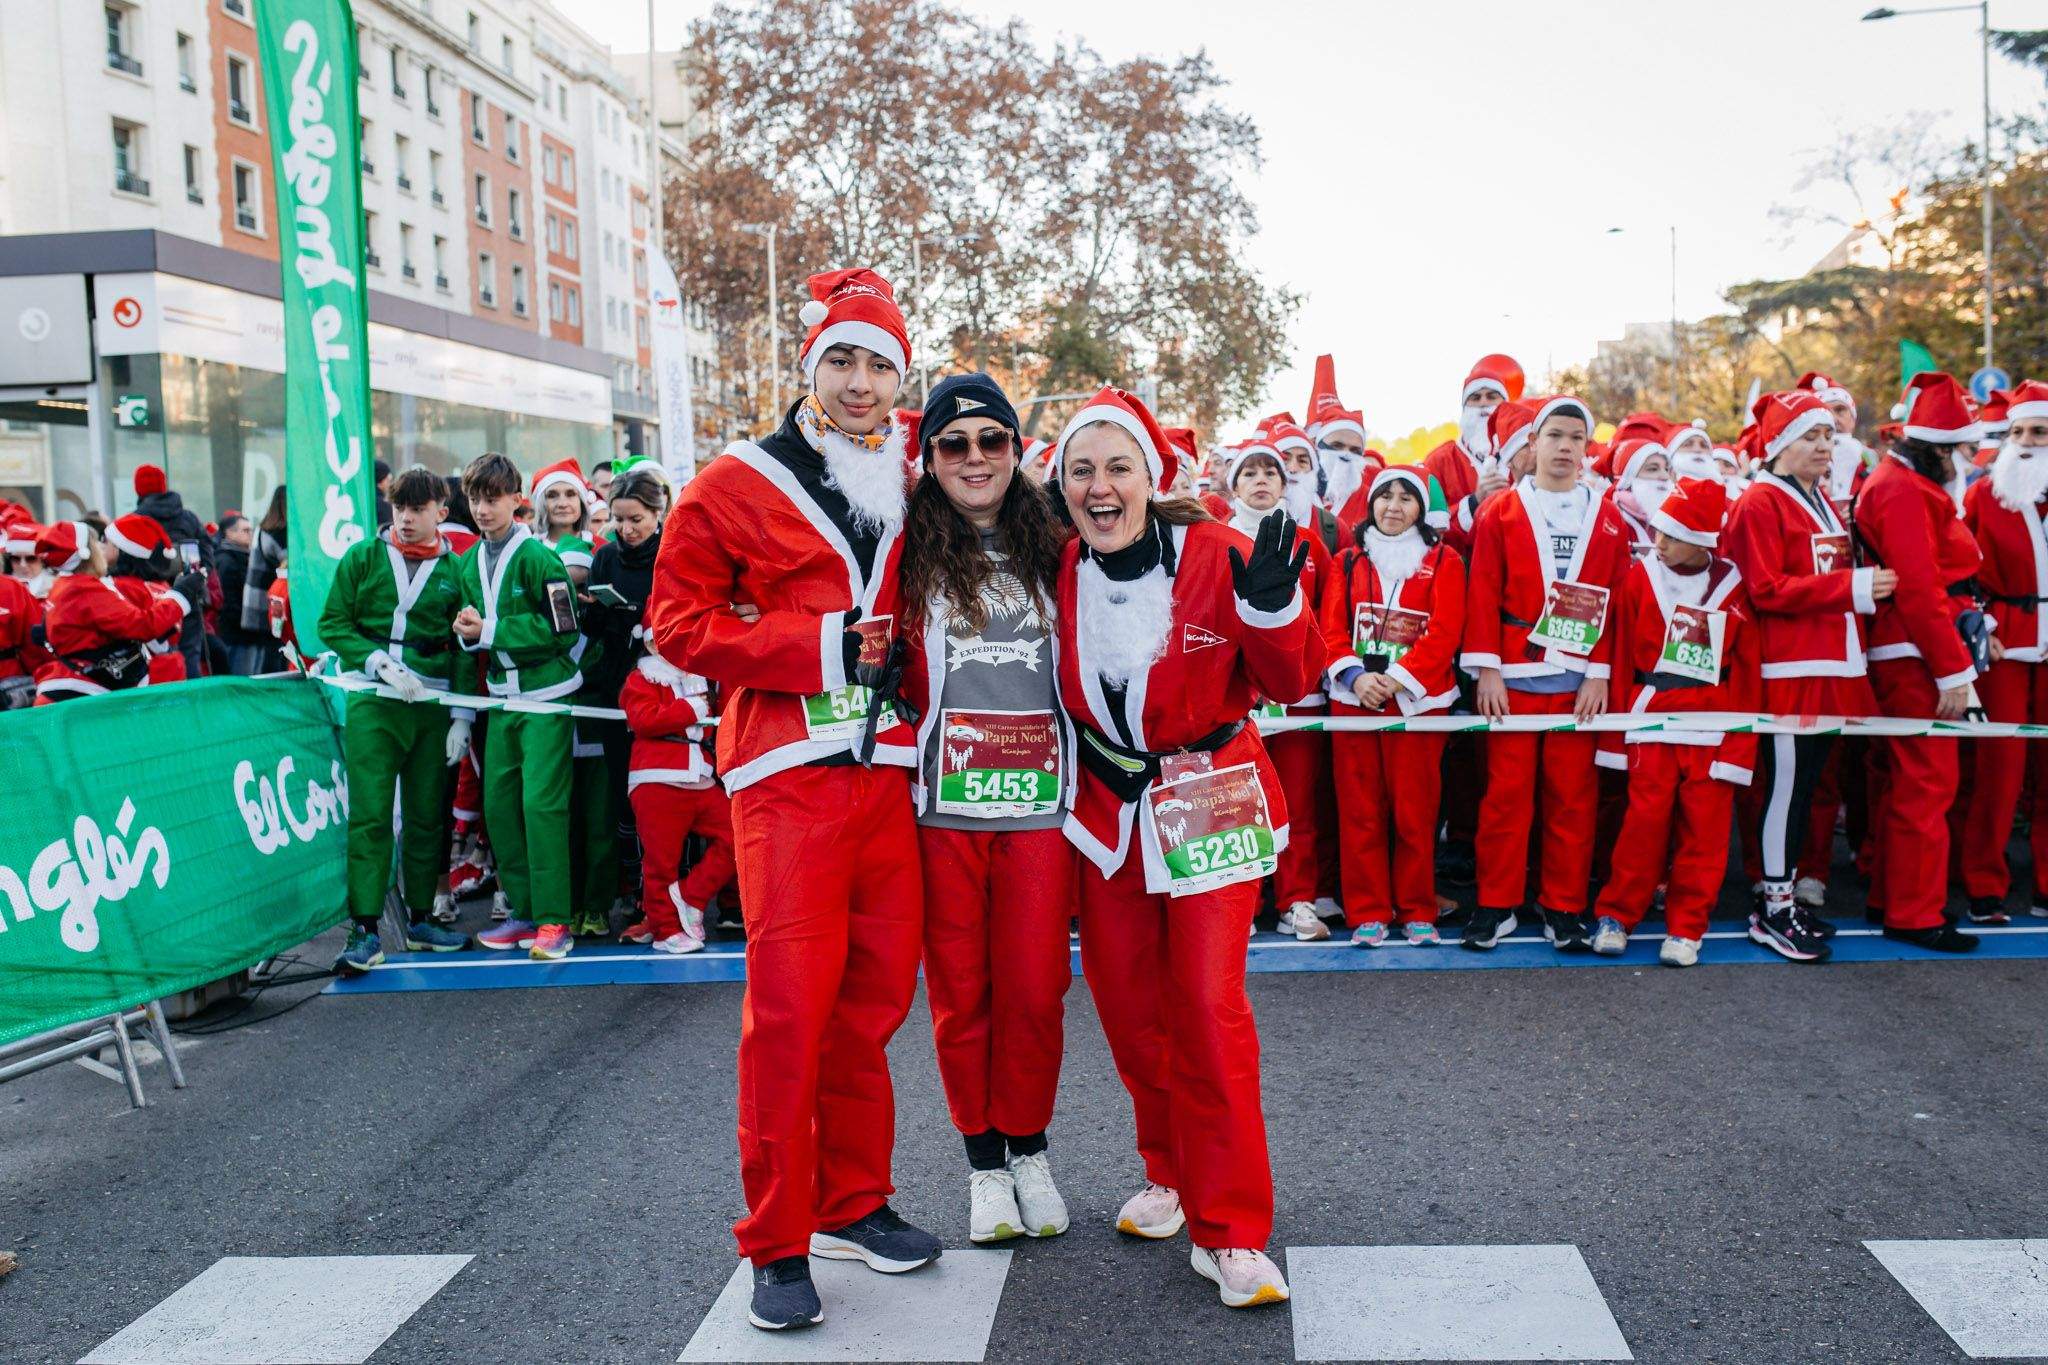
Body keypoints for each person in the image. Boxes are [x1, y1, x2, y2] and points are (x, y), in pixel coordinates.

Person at [647, 268, 940, 1332]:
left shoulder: (921, 473)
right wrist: (819, 646)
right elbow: (676, 623)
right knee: (787, 1015)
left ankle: (850, 1202)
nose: (860, 383)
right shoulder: (733, 481)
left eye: (879, 365)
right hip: (784, 778)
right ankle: (775, 1239)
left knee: (872, 1005)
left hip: (891, 773)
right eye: (842, 361)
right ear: (810, 367)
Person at [1054, 385, 1318, 1309]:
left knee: (1208, 1009)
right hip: (1108, 814)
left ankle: (1231, 1226)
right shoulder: (1060, 566)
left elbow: (1292, 676)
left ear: (1151, 475)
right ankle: (1169, 1170)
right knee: (1132, 1011)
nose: (1100, 486)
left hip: (1210, 799)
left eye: (1117, 467)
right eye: (1081, 470)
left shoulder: (1218, 551)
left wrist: (1274, 610)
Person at [896, 371, 1076, 1245]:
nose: (975, 457)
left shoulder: (1062, 544)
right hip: (942, 808)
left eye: (991, 439)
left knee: (1036, 991)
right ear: (929, 458)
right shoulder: (899, 547)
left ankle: (1030, 1149)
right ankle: (983, 1164)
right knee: (960, 994)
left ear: (1016, 447)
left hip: (1041, 806)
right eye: (954, 443)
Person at [1722, 390, 1889, 961]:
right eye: (1809, 437)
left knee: (1806, 787)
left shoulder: (1814, 496)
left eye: (1827, 436)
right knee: (1786, 791)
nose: (1824, 446)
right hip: (1789, 669)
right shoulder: (1760, 501)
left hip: (1824, 663)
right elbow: (1766, 589)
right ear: (1778, 445)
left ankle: (1785, 899)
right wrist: (1854, 586)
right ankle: (1773, 908)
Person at [1459, 395, 1630, 953]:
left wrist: (1599, 673)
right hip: (1514, 676)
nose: (1564, 447)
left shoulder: (1608, 517)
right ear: (1534, 443)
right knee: (1505, 798)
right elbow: (1482, 590)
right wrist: (1486, 670)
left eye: (1576, 438)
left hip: (1578, 681)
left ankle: (1563, 905)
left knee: (1572, 799)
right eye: (1555, 435)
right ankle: (1497, 903)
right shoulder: (1501, 510)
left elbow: (1615, 600)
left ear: (1587, 447)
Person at [1588, 478, 1760, 965]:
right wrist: (1615, 736)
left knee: (1705, 833)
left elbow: (1748, 672)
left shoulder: (1735, 588)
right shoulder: (1638, 578)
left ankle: (1687, 927)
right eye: (1659, 530)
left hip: (1713, 723)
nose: (1658, 542)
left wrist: (1738, 746)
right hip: (1651, 719)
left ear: (1702, 541)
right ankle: (1617, 914)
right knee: (1642, 825)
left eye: (1673, 535)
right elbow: (1619, 656)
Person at [316, 465, 472, 974]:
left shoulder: (457, 570)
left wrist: (462, 716)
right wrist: (375, 661)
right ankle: (364, 929)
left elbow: (464, 647)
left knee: (428, 815)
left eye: (417, 509)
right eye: (399, 507)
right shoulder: (363, 556)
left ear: (440, 513)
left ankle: (422, 918)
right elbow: (332, 623)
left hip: (431, 704)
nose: (405, 518)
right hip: (374, 700)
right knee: (370, 814)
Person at [1857, 372, 1985, 953]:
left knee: (1909, 781)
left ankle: (1896, 895)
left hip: (1912, 647)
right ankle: (1913, 912)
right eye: (1964, 448)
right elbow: (1920, 588)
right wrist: (1952, 671)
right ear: (1940, 448)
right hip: (1914, 652)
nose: (1969, 460)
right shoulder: (1904, 490)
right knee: (1927, 784)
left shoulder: (1901, 482)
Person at [1320, 466, 1465, 946]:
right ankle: (1368, 910)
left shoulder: (1444, 560)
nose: (1394, 507)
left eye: (1406, 498)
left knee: (1415, 814)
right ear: (1371, 503)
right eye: (1385, 496)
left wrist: (1398, 680)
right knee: (1359, 813)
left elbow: (1445, 631)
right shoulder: (1347, 560)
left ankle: (1418, 908)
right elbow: (1330, 629)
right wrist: (1356, 677)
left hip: (1418, 705)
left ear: (1421, 508)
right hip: (1354, 700)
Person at [453, 452, 584, 962]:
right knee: (500, 808)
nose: (482, 509)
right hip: (501, 700)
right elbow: (469, 631)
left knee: (541, 807)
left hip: (547, 698)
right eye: (474, 499)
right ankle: (525, 911)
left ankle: (555, 919)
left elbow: (563, 628)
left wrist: (486, 630)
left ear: (516, 501)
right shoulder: (467, 561)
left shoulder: (539, 559)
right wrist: (467, 635)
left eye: (492, 499)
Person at [1222, 437, 1336, 940]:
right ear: (1234, 485)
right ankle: (1239, 902)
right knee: (1236, 803)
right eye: (1250, 472)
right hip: (1236, 702)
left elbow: (1329, 612)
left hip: (1299, 697)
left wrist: (1299, 669)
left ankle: (1297, 900)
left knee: (1296, 803)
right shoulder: (1214, 539)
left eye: (1270, 471)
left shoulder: (1308, 540)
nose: (1261, 480)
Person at [1961, 380, 2048, 922]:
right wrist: (1984, 623)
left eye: (2039, 432)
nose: (2026, 442)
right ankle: (1984, 882)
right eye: (2018, 431)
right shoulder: (1984, 495)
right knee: (2000, 769)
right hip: (2005, 641)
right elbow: (1958, 569)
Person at [584, 464, 673, 929]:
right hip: (616, 686)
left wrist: (642, 618)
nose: (626, 529)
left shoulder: (672, 554)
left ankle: (670, 890)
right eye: (618, 519)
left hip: (665, 687)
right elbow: (593, 629)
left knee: (666, 792)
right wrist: (595, 612)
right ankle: (634, 887)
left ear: (658, 513)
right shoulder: (604, 558)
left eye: (636, 519)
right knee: (624, 791)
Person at [616, 645, 731, 954]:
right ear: (651, 643)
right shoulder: (642, 677)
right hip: (656, 778)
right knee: (660, 864)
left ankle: (690, 897)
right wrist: (690, 709)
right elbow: (643, 720)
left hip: (699, 776)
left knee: (739, 836)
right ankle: (665, 930)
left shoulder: (701, 676)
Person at [30, 520, 196, 704]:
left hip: (77, 684)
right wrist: (181, 595)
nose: (101, 547)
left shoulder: (65, 585)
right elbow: (142, 625)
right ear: (86, 554)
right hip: (86, 690)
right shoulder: (85, 589)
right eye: (97, 543)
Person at [1424, 353, 1525, 558]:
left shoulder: (1525, 453)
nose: (1483, 403)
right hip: (1460, 565)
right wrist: (1475, 501)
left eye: (1492, 396)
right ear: (1464, 408)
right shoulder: (1438, 460)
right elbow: (1426, 528)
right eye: (1475, 397)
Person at [131, 463, 213, 679]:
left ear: (138, 489)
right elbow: (207, 552)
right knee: (191, 655)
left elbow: (131, 564)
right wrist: (197, 578)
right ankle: (193, 698)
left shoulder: (135, 521)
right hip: (190, 595)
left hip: (153, 600)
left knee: (159, 658)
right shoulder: (188, 518)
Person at [1304, 355, 1380, 532]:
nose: (1345, 454)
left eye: (1355, 450)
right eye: (1337, 446)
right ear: (1316, 446)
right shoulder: (1294, 491)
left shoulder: (1374, 498)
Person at [238, 487, 288, 674]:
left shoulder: (263, 529)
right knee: (272, 660)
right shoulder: (277, 533)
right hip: (271, 604)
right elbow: (288, 561)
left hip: (257, 602)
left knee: (264, 656)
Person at [1606, 437, 1673, 560]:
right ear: (1628, 476)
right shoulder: (1607, 518)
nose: (1665, 476)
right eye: (1653, 469)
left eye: (1667, 469)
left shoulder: (1672, 520)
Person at [531, 459, 596, 583]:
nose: (562, 504)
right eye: (552, 495)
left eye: (570, 494)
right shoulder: (529, 549)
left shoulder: (601, 547)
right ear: (541, 504)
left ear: (581, 501)